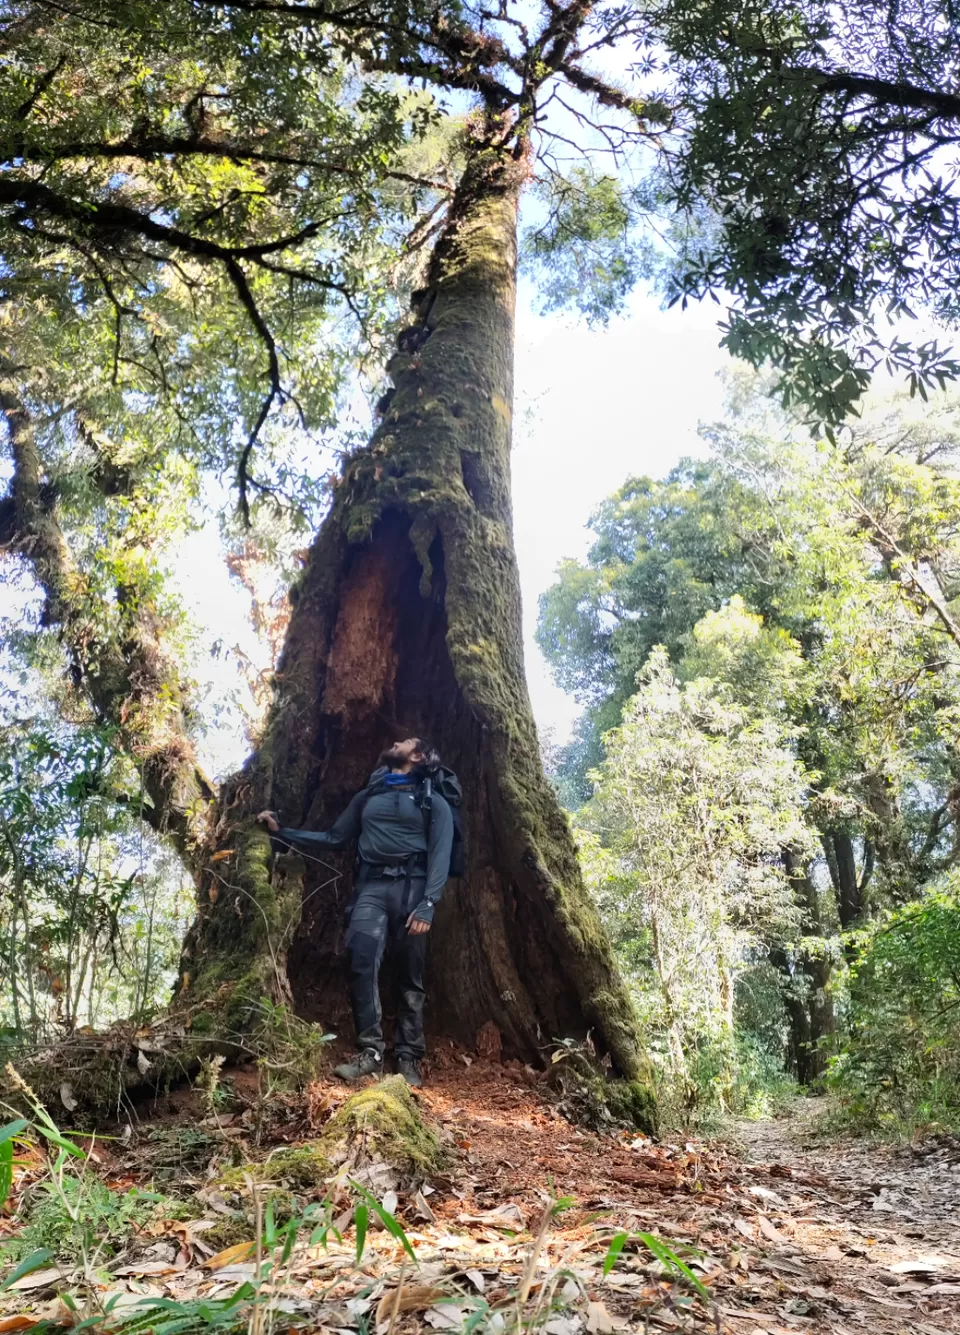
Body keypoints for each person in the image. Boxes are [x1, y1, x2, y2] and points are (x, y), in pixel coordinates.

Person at [257, 738, 453, 1088]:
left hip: (413, 889)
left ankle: (408, 1056)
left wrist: (429, 903)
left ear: (418, 756)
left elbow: (441, 855)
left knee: (411, 973)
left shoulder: (432, 801)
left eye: (404, 742)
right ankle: (371, 1052)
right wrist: (283, 833)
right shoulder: (369, 796)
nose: (394, 742)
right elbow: (335, 837)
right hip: (372, 889)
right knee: (361, 958)